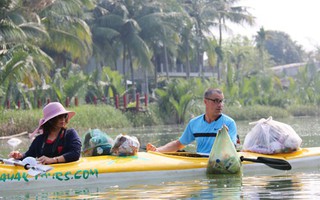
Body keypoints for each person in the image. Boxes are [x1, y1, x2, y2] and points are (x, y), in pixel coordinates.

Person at [146, 88, 237, 154]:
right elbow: (178, 144)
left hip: (220, 162)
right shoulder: (194, 123)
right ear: (205, 102)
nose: (220, 105)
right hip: (200, 161)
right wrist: (158, 150)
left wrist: (225, 137)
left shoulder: (229, 123)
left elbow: (231, 148)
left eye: (221, 101)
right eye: (216, 101)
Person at [9, 102, 81, 164]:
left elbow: (75, 153)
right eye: (59, 117)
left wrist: (53, 160)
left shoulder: (70, 134)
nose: (63, 119)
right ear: (50, 120)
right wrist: (19, 156)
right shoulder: (39, 140)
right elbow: (29, 155)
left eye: (64, 116)